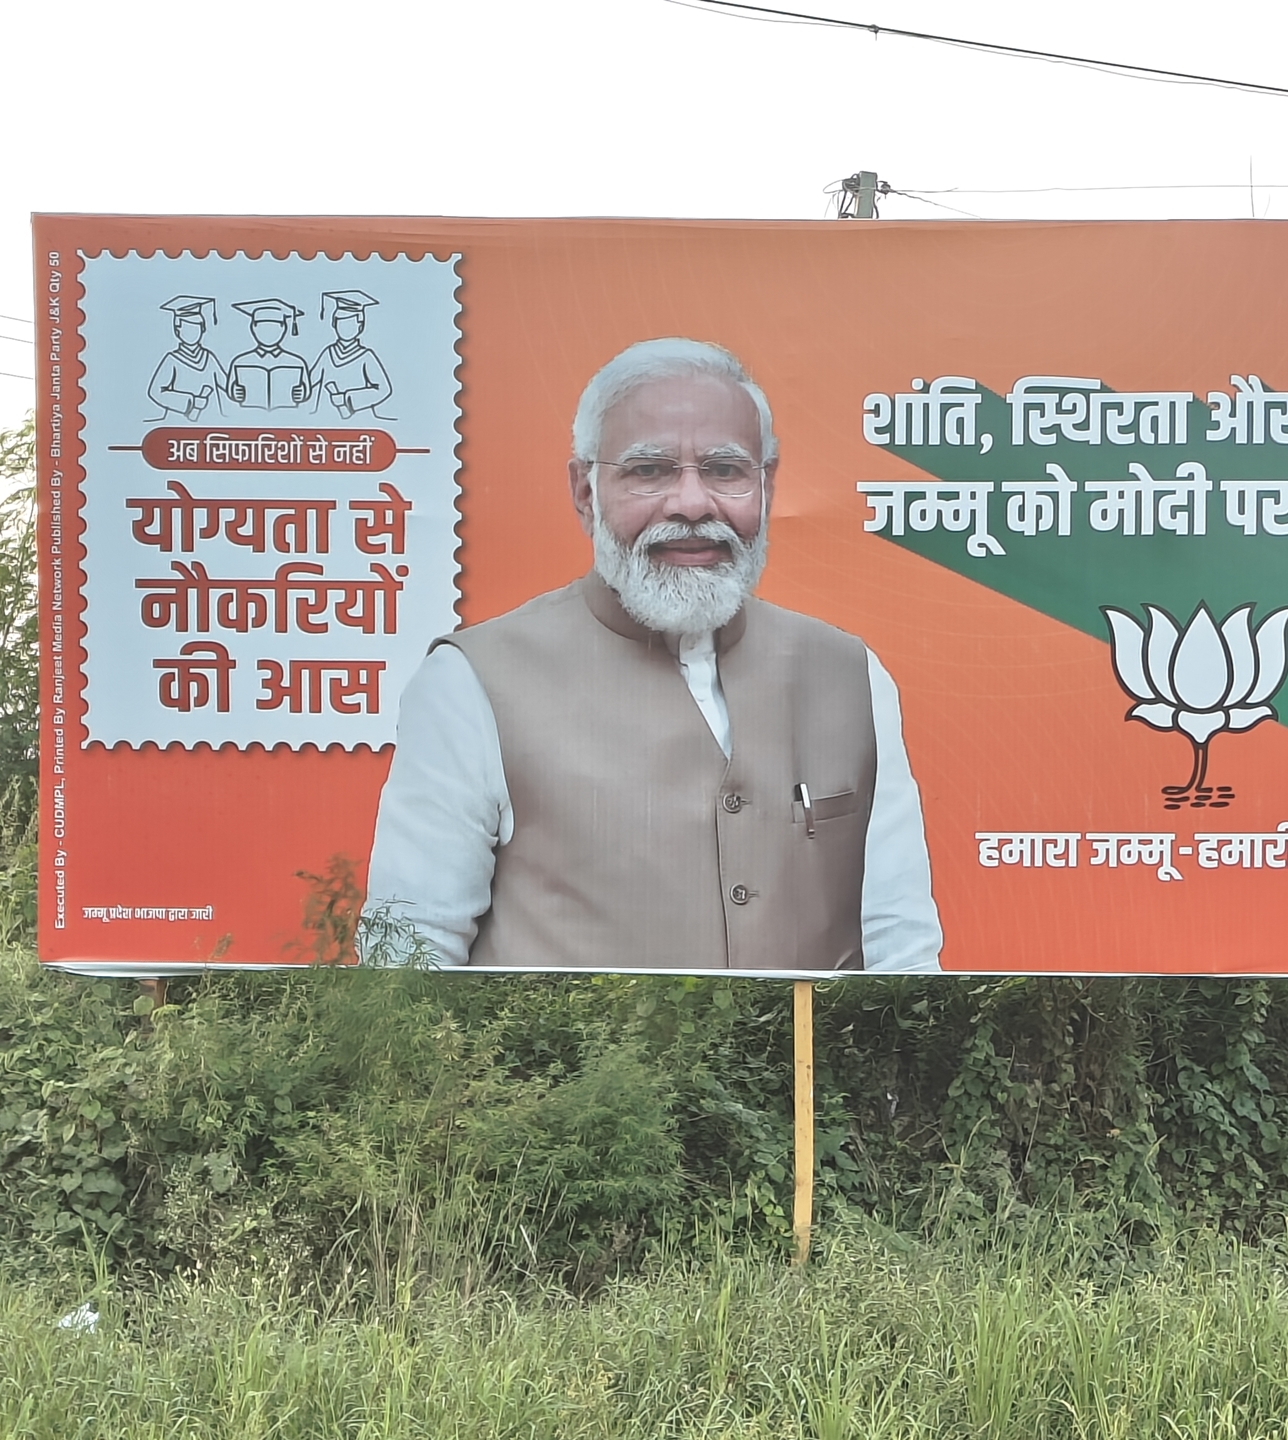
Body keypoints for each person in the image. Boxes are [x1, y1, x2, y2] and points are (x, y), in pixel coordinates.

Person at [363, 337, 943, 972]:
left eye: (725, 470)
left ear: (767, 487)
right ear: (584, 491)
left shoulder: (849, 676)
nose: (692, 505)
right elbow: (409, 966)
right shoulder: (472, 683)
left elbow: (902, 958)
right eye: (649, 470)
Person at [309, 290, 393, 418]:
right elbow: (310, 380)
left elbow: (383, 390)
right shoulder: (328, 353)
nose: (344, 328)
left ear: (360, 326)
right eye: (340, 323)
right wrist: (302, 390)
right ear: (334, 324)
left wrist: (347, 398)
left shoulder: (366, 356)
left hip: (360, 420)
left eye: (350, 323)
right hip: (325, 420)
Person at [146, 296, 229, 421]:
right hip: (178, 423)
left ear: (202, 329)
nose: (193, 333)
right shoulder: (173, 359)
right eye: (188, 328)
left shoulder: (208, 357)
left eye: (196, 327)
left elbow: (225, 383)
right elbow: (156, 392)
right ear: (178, 331)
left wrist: (235, 390)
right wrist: (191, 402)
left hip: (211, 422)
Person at [226, 298, 310, 412]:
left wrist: (302, 393)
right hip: (249, 414)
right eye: (262, 326)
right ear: (253, 328)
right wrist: (234, 392)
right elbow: (230, 389)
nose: (268, 332)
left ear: (283, 329)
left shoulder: (296, 362)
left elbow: (306, 390)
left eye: (275, 327)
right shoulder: (241, 361)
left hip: (287, 414)